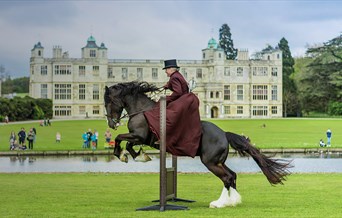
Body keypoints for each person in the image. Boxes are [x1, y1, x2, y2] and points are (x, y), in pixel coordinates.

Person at [144, 59, 202, 157]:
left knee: (167, 114)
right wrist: (167, 85)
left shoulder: (174, 77)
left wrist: (166, 98)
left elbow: (178, 92)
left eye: (166, 69)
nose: (165, 72)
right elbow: (178, 86)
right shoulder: (176, 76)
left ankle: (164, 137)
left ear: (171, 69)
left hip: (185, 100)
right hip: (188, 99)